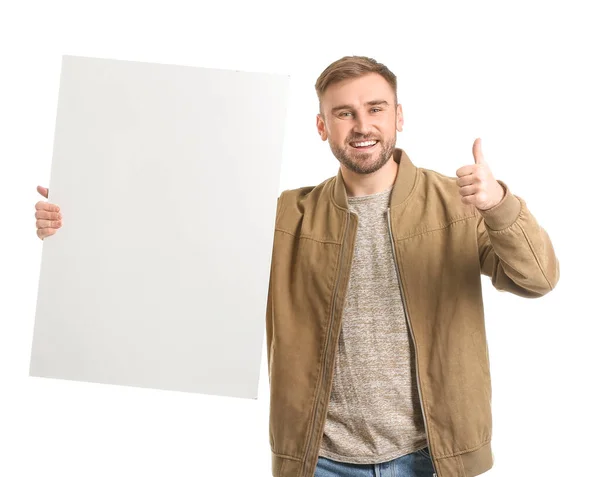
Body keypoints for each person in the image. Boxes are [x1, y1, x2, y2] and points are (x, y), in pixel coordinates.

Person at [34, 56, 560, 477]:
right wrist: (75, 221)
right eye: (344, 113)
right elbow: (175, 240)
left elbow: (538, 279)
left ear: (399, 117)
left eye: (376, 109)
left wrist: (500, 205)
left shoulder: (460, 203)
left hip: (435, 458)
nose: (362, 125)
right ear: (321, 126)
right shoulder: (286, 214)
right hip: (319, 460)